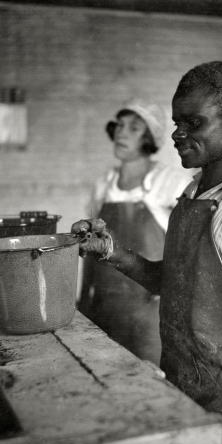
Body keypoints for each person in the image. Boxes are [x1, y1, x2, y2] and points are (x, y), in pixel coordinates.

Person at [72, 62, 222, 444]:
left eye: (193, 123)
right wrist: (112, 251)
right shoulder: (193, 195)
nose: (178, 135)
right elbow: (178, 281)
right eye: (177, 122)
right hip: (191, 404)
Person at [79, 98, 190, 366]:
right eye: (120, 125)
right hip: (105, 308)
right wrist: (83, 302)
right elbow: (91, 249)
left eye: (134, 127)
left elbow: (188, 252)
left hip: (152, 313)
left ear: (150, 137)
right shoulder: (103, 185)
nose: (121, 132)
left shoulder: (172, 182)